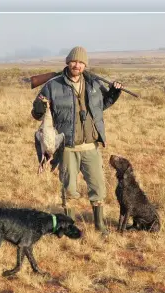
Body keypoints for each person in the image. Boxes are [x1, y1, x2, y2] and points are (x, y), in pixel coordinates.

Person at [31, 46, 123, 236]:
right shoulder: (52, 85)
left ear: (85, 65)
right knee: (69, 189)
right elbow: (37, 114)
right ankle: (68, 226)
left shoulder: (93, 84)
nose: (77, 65)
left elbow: (101, 106)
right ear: (68, 62)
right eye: (74, 61)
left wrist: (114, 94)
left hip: (91, 146)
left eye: (81, 62)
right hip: (67, 147)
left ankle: (100, 225)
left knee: (98, 186)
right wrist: (40, 107)